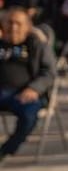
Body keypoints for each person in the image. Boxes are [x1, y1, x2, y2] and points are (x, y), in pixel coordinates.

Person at [0, 9, 55, 162]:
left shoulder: (37, 45)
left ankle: (6, 149)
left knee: (29, 114)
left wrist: (34, 89)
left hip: (26, 93)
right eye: (9, 22)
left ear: (28, 26)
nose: (13, 27)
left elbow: (49, 72)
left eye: (18, 23)